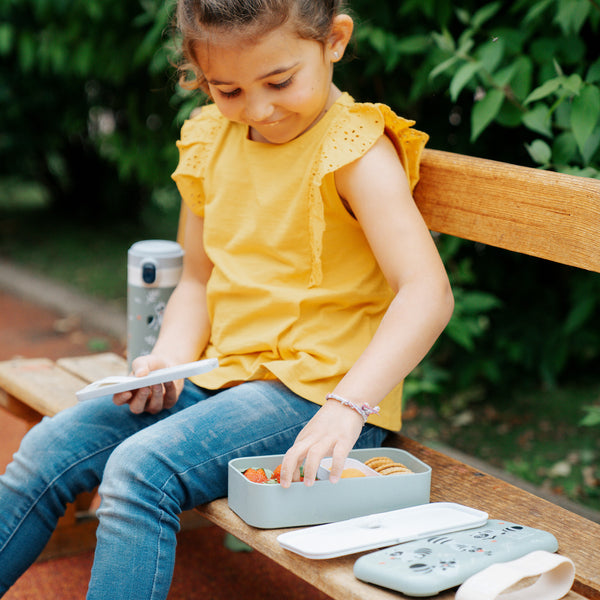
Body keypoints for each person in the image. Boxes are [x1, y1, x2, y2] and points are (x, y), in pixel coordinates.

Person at [0, 0, 454, 597]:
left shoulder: (356, 148)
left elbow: (427, 293)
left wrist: (347, 408)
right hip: (216, 377)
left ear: (335, 40)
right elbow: (196, 279)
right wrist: (168, 360)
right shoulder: (211, 138)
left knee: (140, 473)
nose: (260, 110)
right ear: (198, 74)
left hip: (319, 400)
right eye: (229, 89)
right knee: (48, 447)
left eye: (280, 80)